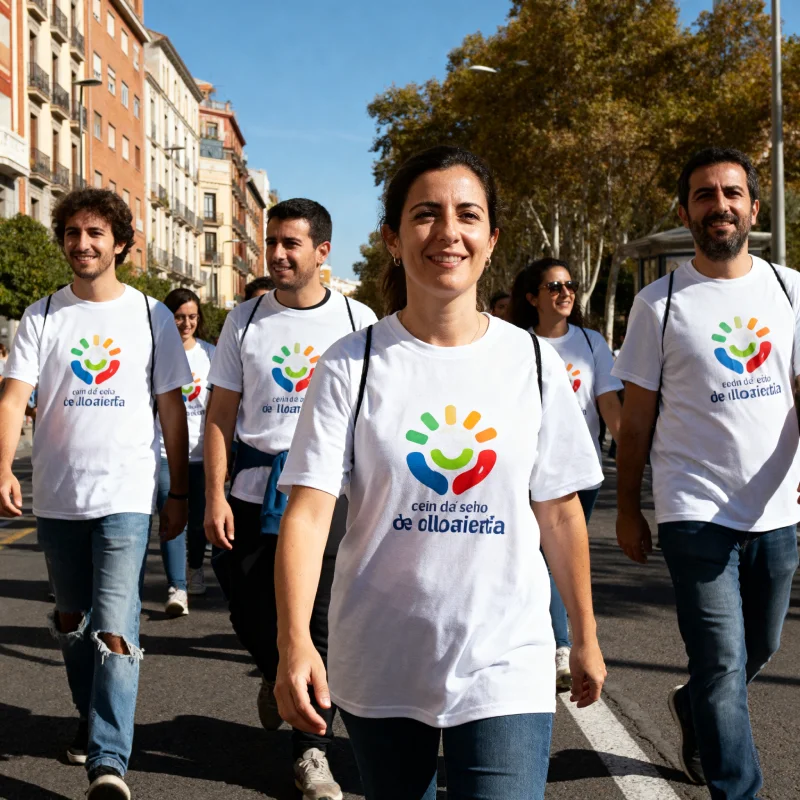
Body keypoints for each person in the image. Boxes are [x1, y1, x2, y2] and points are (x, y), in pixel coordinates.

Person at [273, 146, 606, 800]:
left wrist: (586, 636)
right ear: (393, 239)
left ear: (491, 241)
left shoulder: (533, 364)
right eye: (426, 215)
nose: (448, 232)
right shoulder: (351, 363)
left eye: (468, 215)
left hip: (506, 657)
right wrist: (292, 645)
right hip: (381, 658)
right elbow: (309, 516)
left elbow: (561, 513)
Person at [613, 147, 800, 798]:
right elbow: (636, 421)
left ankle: (694, 707)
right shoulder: (658, 305)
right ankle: (736, 789)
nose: (718, 204)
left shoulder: (789, 288)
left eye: (730, 193)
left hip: (777, 508)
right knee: (722, 660)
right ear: (686, 211)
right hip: (694, 510)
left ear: (752, 205)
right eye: (703, 195)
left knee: (761, 649)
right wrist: (630, 507)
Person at [0, 188, 191, 799]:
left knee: (114, 623)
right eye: (73, 233)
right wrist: (3, 466)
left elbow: (171, 406)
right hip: (57, 496)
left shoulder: (150, 315)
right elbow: (12, 398)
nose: (82, 244)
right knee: (71, 620)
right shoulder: (42, 314)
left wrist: (179, 490)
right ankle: (91, 712)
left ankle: (109, 761)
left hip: (126, 495)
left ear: (120, 244)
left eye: (95, 233)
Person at [204, 198, 376, 799]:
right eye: (271, 242)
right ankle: (278, 666)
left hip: (329, 500)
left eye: (290, 244)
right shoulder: (244, 320)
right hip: (252, 494)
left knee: (317, 624)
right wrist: (214, 495)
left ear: (322, 253)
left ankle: (312, 754)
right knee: (253, 615)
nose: (276, 254)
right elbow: (221, 414)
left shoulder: (358, 321)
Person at [509, 258, 622, 692]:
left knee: (556, 557)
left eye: (570, 285)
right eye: (553, 286)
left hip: (580, 474)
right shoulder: (516, 344)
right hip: (526, 474)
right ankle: (559, 644)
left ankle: (546, 631)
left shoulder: (592, 343)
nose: (565, 292)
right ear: (532, 297)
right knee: (540, 554)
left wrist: (635, 463)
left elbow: (611, 410)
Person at [155, 288, 215, 615]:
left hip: (202, 454)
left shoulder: (211, 355)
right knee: (170, 516)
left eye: (192, 317)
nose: (186, 323)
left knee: (196, 523)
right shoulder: (155, 352)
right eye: (179, 317)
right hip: (163, 451)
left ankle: (194, 565)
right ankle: (177, 586)